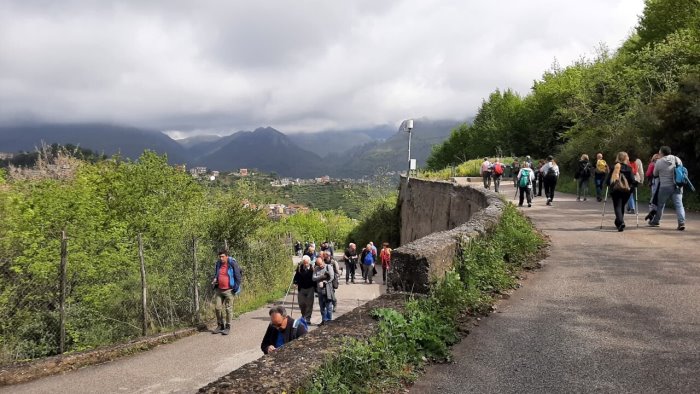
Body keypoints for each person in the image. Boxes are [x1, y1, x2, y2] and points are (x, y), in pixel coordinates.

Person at [649, 146, 686, 230]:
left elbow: (655, 174)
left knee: (660, 204)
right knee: (679, 205)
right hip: (677, 186)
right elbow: (681, 171)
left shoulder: (659, 162)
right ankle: (681, 223)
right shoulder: (677, 159)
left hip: (664, 187)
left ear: (661, 153)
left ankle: (656, 221)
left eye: (659, 152)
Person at [211, 249, 242, 335]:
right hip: (219, 289)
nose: (221, 258)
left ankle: (228, 327)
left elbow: (238, 276)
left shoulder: (232, 263)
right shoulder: (218, 264)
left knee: (228, 309)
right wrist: (215, 279)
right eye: (220, 256)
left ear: (226, 256)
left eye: (223, 256)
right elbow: (217, 274)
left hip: (229, 290)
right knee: (217, 308)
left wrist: (235, 289)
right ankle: (221, 325)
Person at [606, 152, 637, 232]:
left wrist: (609, 185)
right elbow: (633, 181)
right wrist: (632, 187)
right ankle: (619, 222)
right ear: (626, 158)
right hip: (626, 191)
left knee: (618, 207)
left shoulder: (614, 167)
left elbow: (607, 181)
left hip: (616, 190)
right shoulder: (629, 168)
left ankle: (620, 222)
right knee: (621, 206)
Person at [312, 256, 334, 324]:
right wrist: (322, 277)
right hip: (319, 291)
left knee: (329, 307)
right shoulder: (316, 268)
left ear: (323, 261)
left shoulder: (328, 267)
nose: (320, 266)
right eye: (319, 265)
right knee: (322, 307)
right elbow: (313, 278)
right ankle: (323, 320)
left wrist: (324, 282)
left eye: (321, 264)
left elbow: (331, 277)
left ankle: (329, 320)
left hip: (327, 291)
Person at [293, 255, 315, 323]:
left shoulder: (312, 269)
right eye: (304, 263)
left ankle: (308, 318)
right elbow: (296, 277)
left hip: (310, 288)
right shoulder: (299, 268)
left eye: (306, 263)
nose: (305, 264)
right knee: (301, 303)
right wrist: (295, 282)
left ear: (309, 262)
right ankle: (303, 316)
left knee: (309, 304)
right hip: (301, 288)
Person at [645, 153, 661, 222]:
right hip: (663, 182)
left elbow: (648, 173)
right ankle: (657, 218)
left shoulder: (652, 164)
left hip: (654, 181)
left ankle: (651, 213)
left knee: (653, 198)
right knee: (659, 200)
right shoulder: (662, 164)